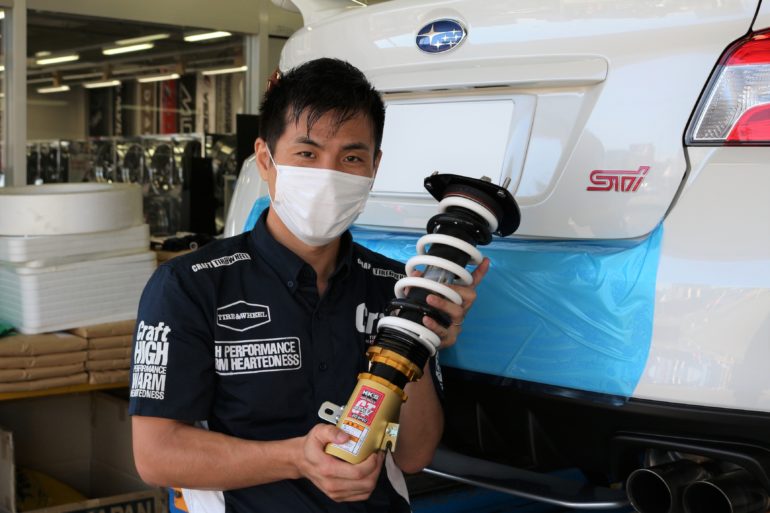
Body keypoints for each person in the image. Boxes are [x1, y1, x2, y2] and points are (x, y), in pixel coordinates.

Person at [129, 57, 489, 513]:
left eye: (351, 158)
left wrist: (417, 337)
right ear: (265, 159)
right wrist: (297, 458)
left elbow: (414, 455)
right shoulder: (188, 286)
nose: (328, 175)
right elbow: (156, 455)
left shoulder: (398, 290)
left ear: (375, 167)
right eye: (307, 153)